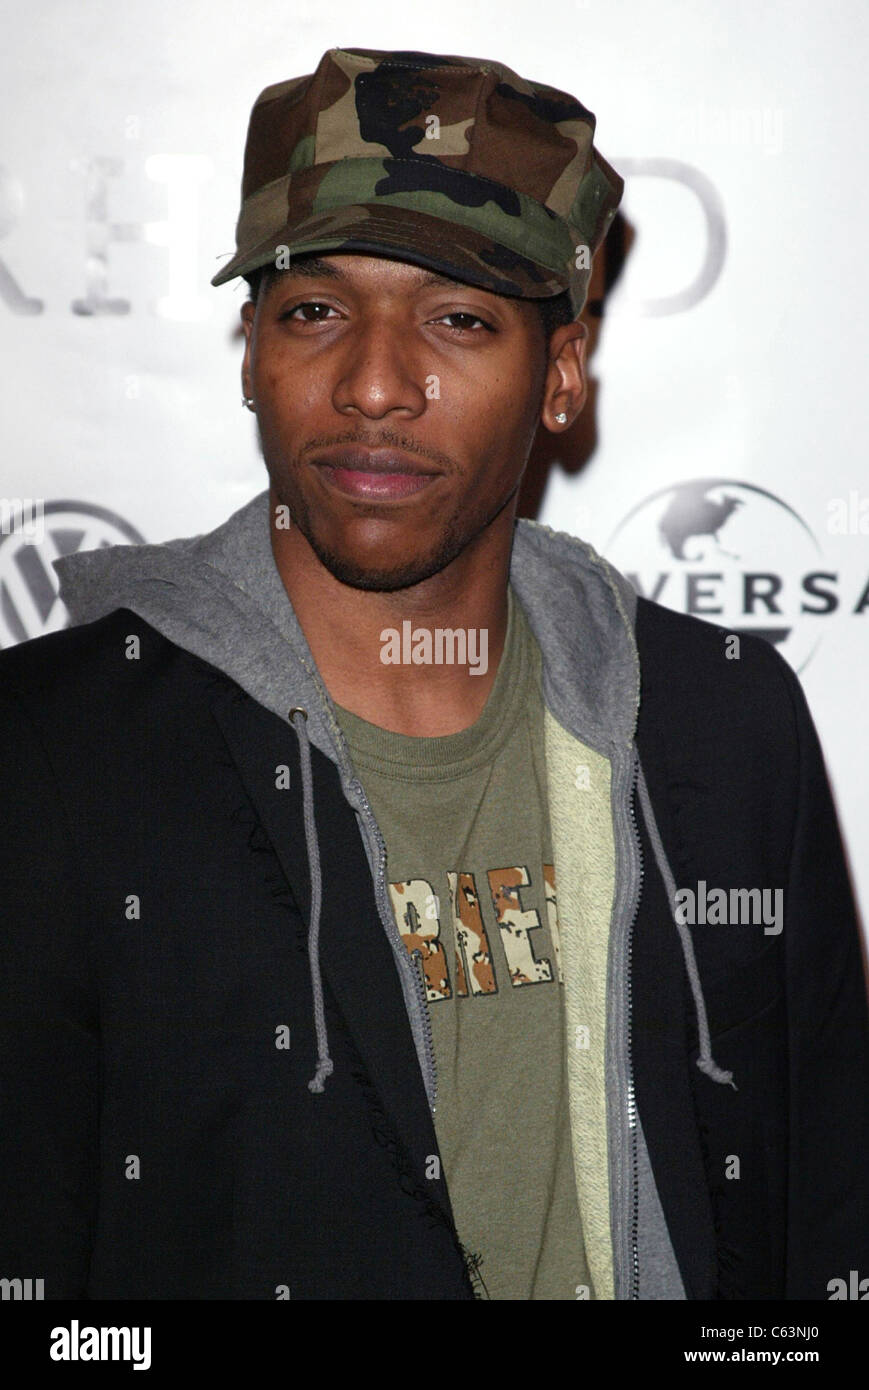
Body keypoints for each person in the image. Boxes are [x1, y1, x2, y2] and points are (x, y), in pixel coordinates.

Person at [1, 45, 867, 1302]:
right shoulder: (56, 754)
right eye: (313, 310)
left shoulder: (723, 721)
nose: (369, 384)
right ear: (249, 349)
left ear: (559, 373)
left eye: (457, 319)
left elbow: (818, 1208)